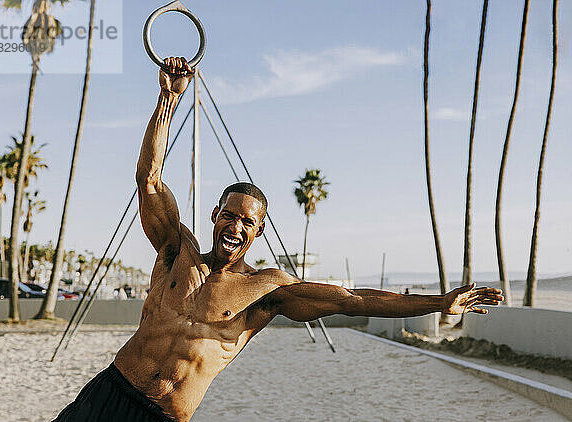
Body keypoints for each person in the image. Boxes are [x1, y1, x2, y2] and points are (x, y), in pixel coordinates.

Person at [54, 57, 504, 422]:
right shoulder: (177, 251)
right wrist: (167, 101)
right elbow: (149, 179)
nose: (236, 226)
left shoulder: (267, 290)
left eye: (246, 222)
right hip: (110, 393)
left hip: (166, 417)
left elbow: (354, 300)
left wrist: (437, 301)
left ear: (258, 230)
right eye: (228, 216)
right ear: (215, 216)